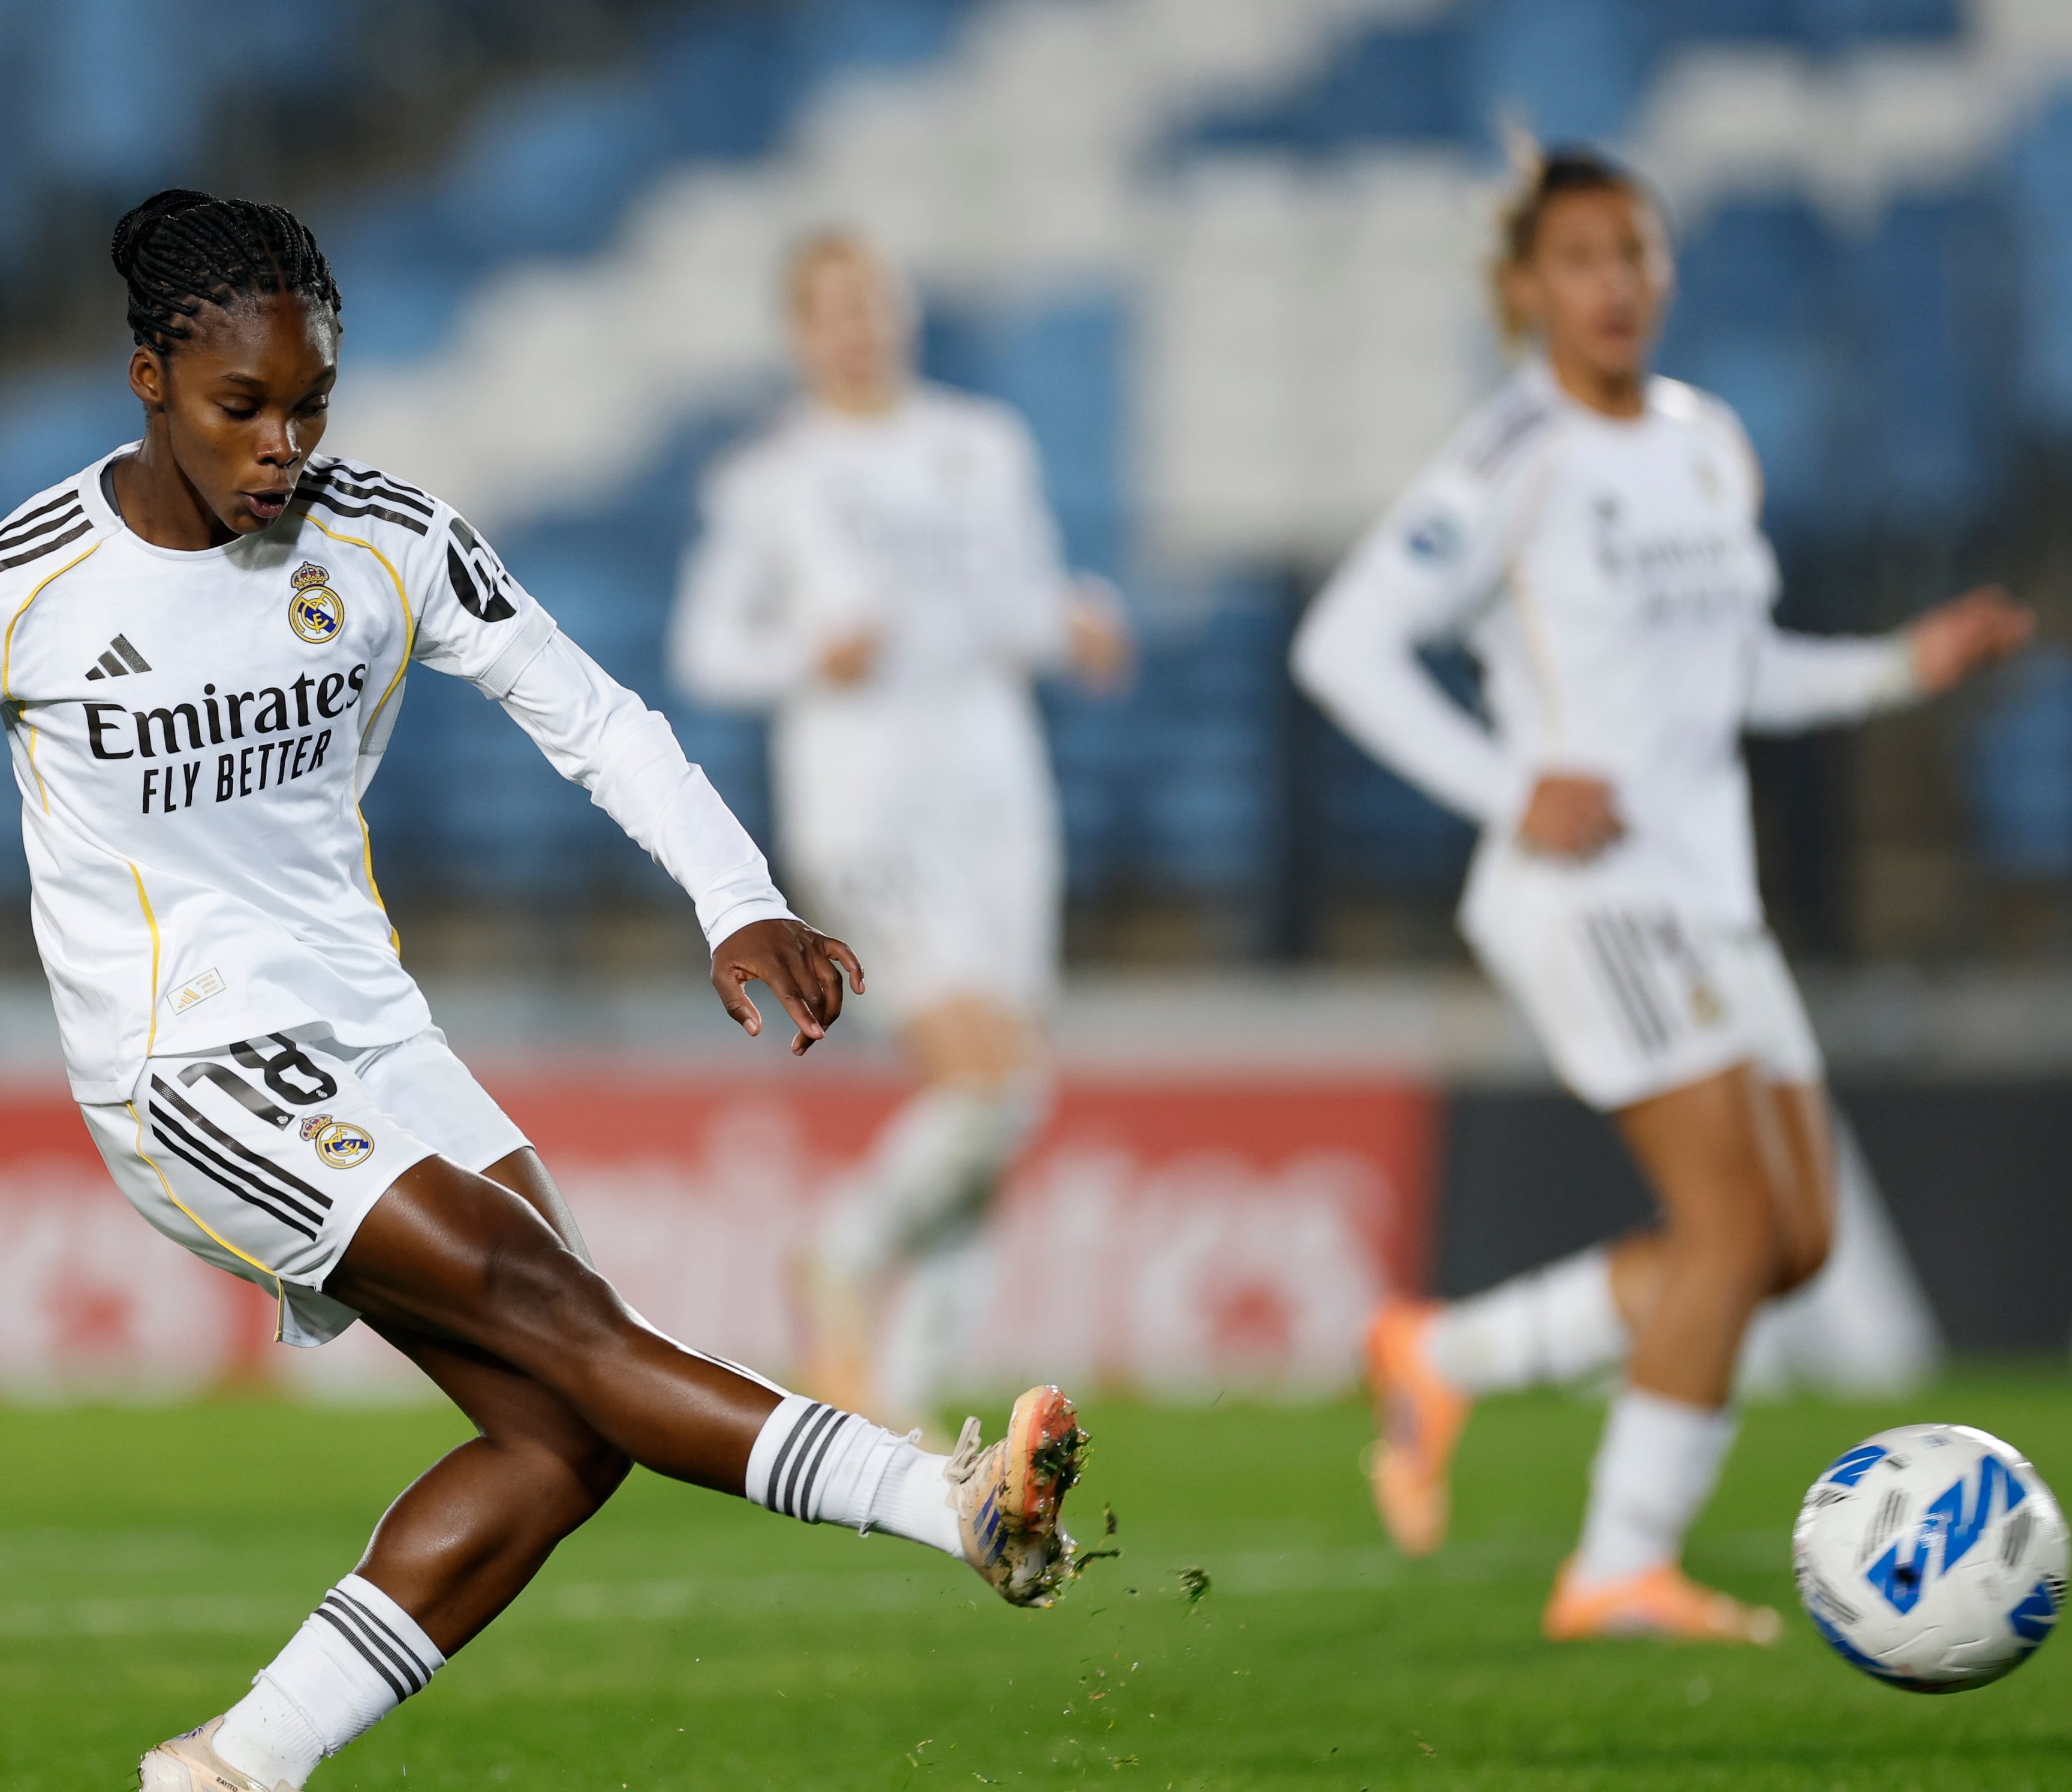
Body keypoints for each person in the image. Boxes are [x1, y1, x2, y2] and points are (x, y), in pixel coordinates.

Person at [0, 191, 1092, 1792]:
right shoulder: (23, 583)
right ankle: (952, 1507)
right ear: (149, 381)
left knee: (563, 1433)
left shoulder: (390, 535)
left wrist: (737, 901)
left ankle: (247, 1758)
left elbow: (595, 713)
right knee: (568, 1324)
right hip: (185, 1069)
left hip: (376, 1036)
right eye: (242, 407)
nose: (284, 445)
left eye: (311, 403)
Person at [1293, 147, 2032, 1645]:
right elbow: (1342, 645)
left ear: (1665, 272)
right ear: (1524, 291)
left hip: (1708, 892)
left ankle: (1444, 1350)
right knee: (1726, 1221)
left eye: (1633, 253)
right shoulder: (1513, 454)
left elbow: (1739, 662)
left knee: (1793, 1242)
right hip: (1593, 889)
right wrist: (1515, 783)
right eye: (1578, 259)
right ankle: (1617, 1564)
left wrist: (1903, 664)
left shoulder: (1705, 441)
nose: (1613, 284)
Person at [670, 231, 1131, 1429]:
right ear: (798, 330)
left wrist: (1075, 619)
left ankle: (912, 1409)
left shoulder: (982, 445)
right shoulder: (771, 476)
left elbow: (1019, 596)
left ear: (905, 311)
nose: (857, 325)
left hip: (995, 790)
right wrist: (802, 654)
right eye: (831, 308)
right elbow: (706, 649)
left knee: (1008, 1095)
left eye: (873, 301)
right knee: (985, 1078)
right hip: (863, 800)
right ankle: (835, 1251)